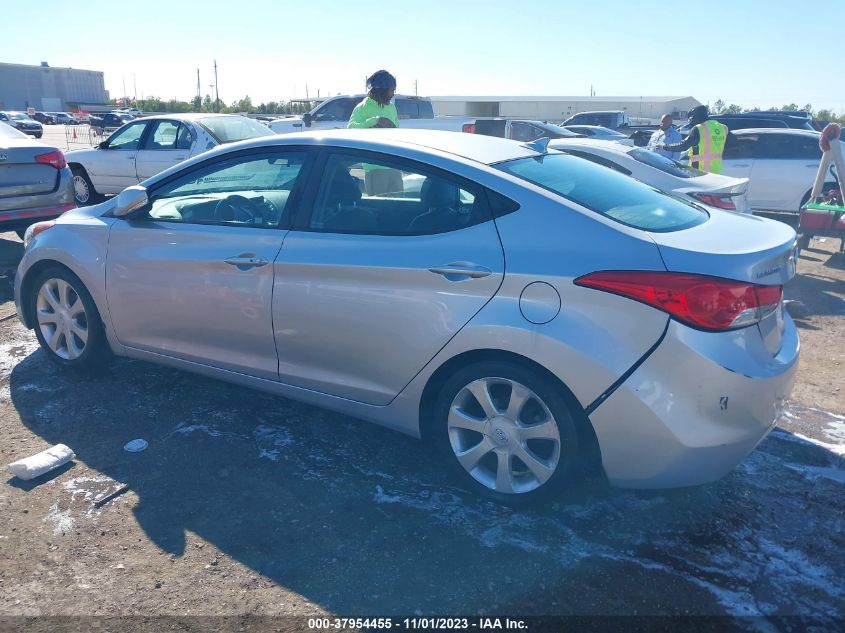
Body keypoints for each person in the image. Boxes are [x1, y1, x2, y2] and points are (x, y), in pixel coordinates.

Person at [348, 70, 402, 195]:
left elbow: (397, 129)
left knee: (400, 209)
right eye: (391, 90)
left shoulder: (392, 107)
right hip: (375, 168)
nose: (393, 93)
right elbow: (351, 130)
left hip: (395, 166)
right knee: (380, 211)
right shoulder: (362, 108)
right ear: (381, 90)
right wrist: (375, 121)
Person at [658, 105, 729, 173]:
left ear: (696, 116)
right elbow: (732, 144)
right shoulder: (722, 127)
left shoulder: (699, 128)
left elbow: (683, 145)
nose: (691, 121)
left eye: (691, 118)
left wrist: (664, 146)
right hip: (717, 171)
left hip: (700, 172)